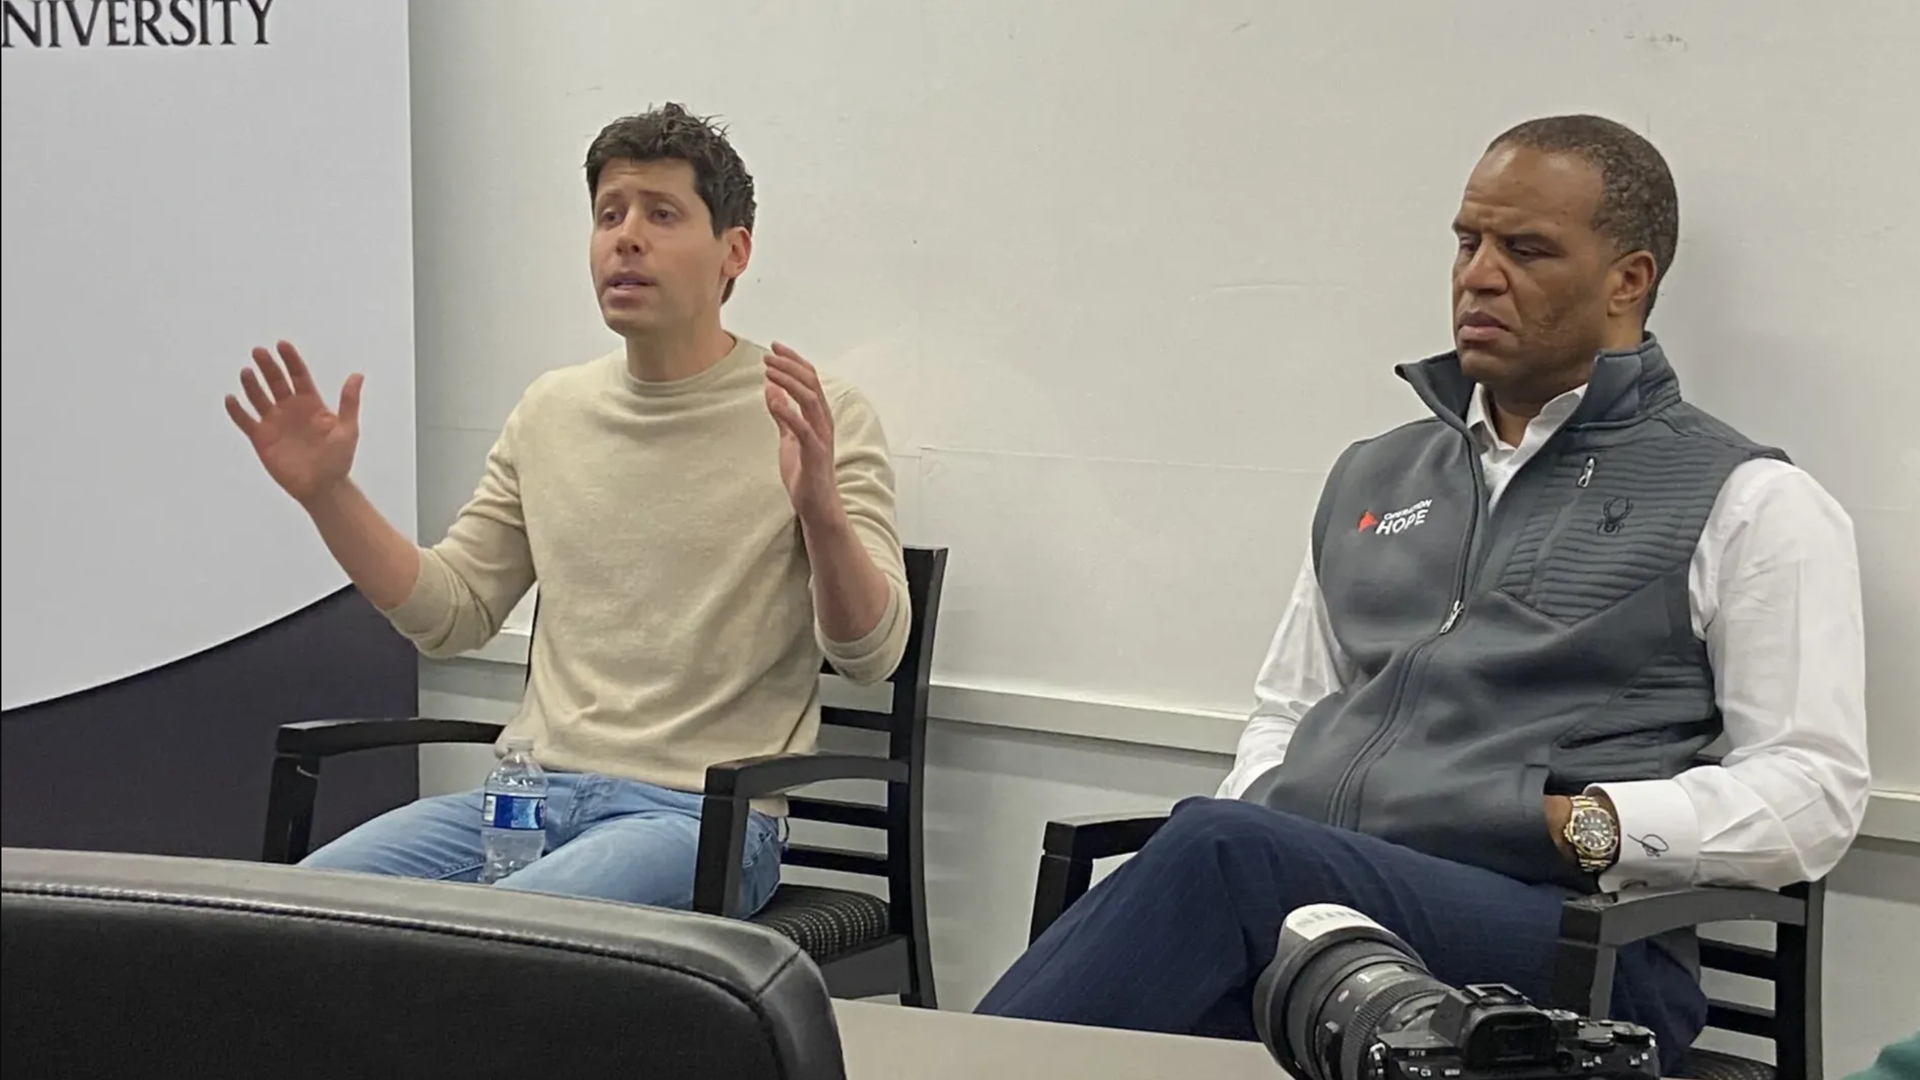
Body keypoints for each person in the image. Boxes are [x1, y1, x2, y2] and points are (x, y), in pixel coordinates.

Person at [974, 115, 1869, 1073]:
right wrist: (1282, 841)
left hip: (1569, 939)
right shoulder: (1374, 478)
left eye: (1525, 249)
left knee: (1217, 856)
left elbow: (1813, 793)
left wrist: (1584, 825)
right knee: (1187, 960)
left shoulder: (1747, 499)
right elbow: (1287, 711)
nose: (1479, 275)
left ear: (1628, 280)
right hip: (1330, 917)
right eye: (1467, 241)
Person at [223, 104, 911, 915]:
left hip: (704, 822)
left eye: (662, 215)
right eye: (608, 215)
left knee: (511, 938)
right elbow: (454, 612)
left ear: (735, 252)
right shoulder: (551, 410)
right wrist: (329, 496)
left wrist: (820, 512)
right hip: (527, 802)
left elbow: (873, 654)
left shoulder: (813, 412)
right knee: (277, 915)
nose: (626, 238)